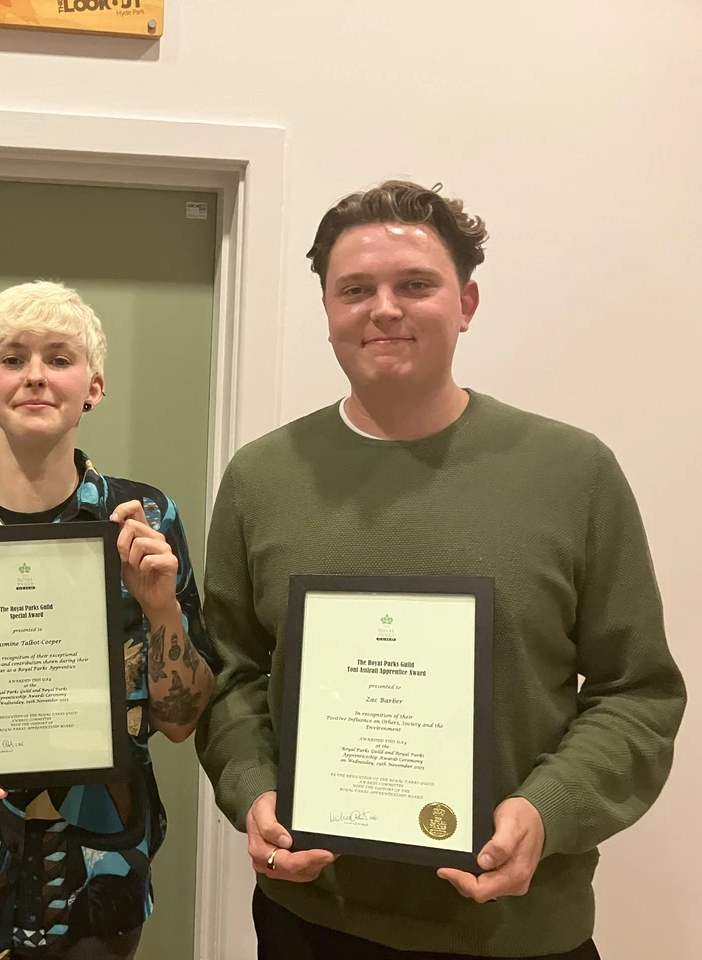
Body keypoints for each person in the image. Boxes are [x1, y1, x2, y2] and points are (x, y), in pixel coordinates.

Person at [195, 181, 686, 960]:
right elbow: (233, 675)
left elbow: (638, 692)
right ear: (327, 311)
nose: (383, 309)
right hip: (312, 920)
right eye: (354, 290)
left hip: (518, 930)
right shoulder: (261, 479)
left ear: (466, 303)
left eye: (415, 285)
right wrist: (253, 787)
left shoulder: (573, 472)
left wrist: (547, 811)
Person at [0, 280, 216, 958]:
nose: (35, 376)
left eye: (59, 358)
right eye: (13, 357)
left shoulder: (146, 518)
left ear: (93, 387)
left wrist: (161, 607)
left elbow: (182, 722)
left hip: (96, 876)